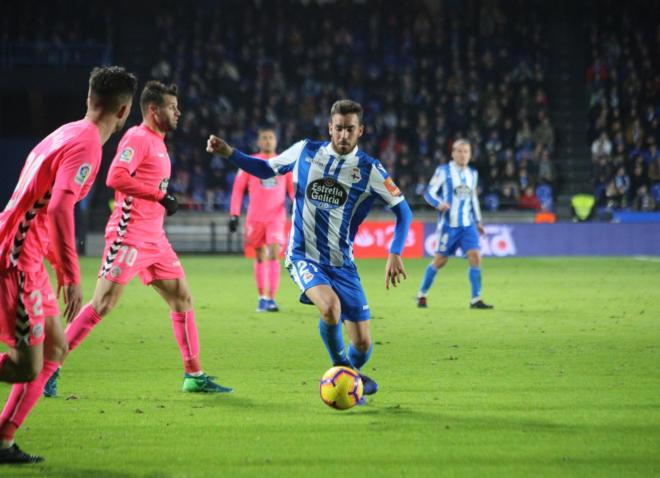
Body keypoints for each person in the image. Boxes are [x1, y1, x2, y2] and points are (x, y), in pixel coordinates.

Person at [206, 99, 412, 399]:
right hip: (303, 255)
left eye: (350, 130)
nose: (343, 135)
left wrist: (395, 251)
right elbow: (265, 169)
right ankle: (341, 372)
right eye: (338, 128)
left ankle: (349, 375)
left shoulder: (370, 170)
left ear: (361, 131)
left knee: (364, 345)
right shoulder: (305, 151)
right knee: (329, 308)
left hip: (342, 263)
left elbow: (403, 211)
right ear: (330, 127)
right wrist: (230, 153)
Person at [44, 81, 233, 397]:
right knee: (103, 304)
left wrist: (158, 200)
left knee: (182, 299)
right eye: (173, 107)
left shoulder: (159, 142)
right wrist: (160, 194)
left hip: (155, 239)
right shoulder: (138, 138)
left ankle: (193, 375)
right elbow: (115, 176)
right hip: (128, 236)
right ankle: (51, 366)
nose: (178, 112)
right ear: (153, 110)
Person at [0, 66, 137, 463]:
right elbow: (59, 206)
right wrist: (70, 275)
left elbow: (38, 203)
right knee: (28, 367)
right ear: (125, 110)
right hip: (17, 260)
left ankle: (3, 440)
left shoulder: (64, 132)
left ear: (89, 99)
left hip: (27, 255)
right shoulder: (88, 145)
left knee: (56, 350)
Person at [416, 139, 493, 309]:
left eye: (466, 152)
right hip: (448, 226)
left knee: (476, 257)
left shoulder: (472, 173)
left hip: (468, 225)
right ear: (453, 153)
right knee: (440, 261)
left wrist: (478, 221)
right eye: (459, 151)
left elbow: (473, 199)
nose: (463, 155)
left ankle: (475, 299)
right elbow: (429, 192)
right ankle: (421, 294)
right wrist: (439, 203)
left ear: (470, 154)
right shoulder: (443, 171)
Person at [229, 127, 294, 312]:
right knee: (259, 256)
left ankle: (271, 298)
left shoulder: (283, 163)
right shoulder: (250, 162)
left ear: (276, 141)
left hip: (276, 217)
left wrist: (299, 206)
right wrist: (234, 214)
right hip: (255, 218)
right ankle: (262, 298)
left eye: (271, 138)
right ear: (259, 142)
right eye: (264, 138)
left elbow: (292, 190)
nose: (267, 141)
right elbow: (237, 189)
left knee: (274, 254)